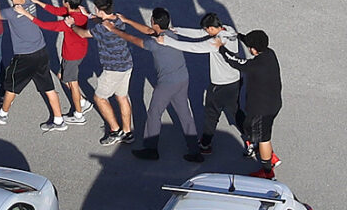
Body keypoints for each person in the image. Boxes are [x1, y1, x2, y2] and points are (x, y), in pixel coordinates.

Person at [104, 9, 203, 162]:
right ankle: (194, 150)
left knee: (154, 113)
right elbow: (149, 31)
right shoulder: (170, 35)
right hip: (183, 79)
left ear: (154, 21)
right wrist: (127, 20)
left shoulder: (154, 43)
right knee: (185, 113)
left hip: (167, 84)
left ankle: (151, 149)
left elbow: (133, 39)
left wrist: (113, 29)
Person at [0, 0, 66, 132]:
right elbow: (16, 0)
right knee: (48, 87)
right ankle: (59, 120)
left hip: (25, 56)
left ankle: (2, 114)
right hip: (41, 51)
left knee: (11, 86)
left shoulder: (10, 12)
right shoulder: (29, 1)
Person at [157, 13, 243, 155]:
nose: (205, 32)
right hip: (235, 81)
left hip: (220, 85)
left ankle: (205, 144)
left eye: (206, 30)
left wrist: (167, 41)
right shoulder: (229, 30)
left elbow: (194, 47)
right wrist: (178, 30)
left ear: (211, 28)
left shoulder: (216, 42)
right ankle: (253, 140)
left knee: (211, 115)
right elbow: (199, 33)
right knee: (236, 112)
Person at [15, 0, 92, 124]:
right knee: (62, 76)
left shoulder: (68, 22)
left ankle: (79, 114)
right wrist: (37, 1)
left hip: (71, 55)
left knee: (73, 84)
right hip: (80, 50)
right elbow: (57, 11)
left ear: (67, 3)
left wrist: (25, 13)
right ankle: (82, 101)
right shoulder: (79, 11)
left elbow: (45, 25)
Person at [214, 30, 282, 179]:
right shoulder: (270, 54)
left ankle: (267, 171)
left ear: (254, 49)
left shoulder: (256, 65)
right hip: (273, 103)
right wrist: (239, 36)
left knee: (263, 138)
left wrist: (221, 48)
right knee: (256, 129)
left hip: (261, 110)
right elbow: (253, 43)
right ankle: (270, 157)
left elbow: (235, 61)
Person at [68, 0, 134, 145]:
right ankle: (128, 132)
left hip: (113, 69)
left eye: (96, 10)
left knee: (99, 98)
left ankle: (115, 131)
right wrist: (89, 16)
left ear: (100, 11)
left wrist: (72, 25)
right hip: (126, 64)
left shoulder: (102, 29)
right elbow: (103, 20)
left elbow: (84, 34)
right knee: (122, 97)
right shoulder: (117, 18)